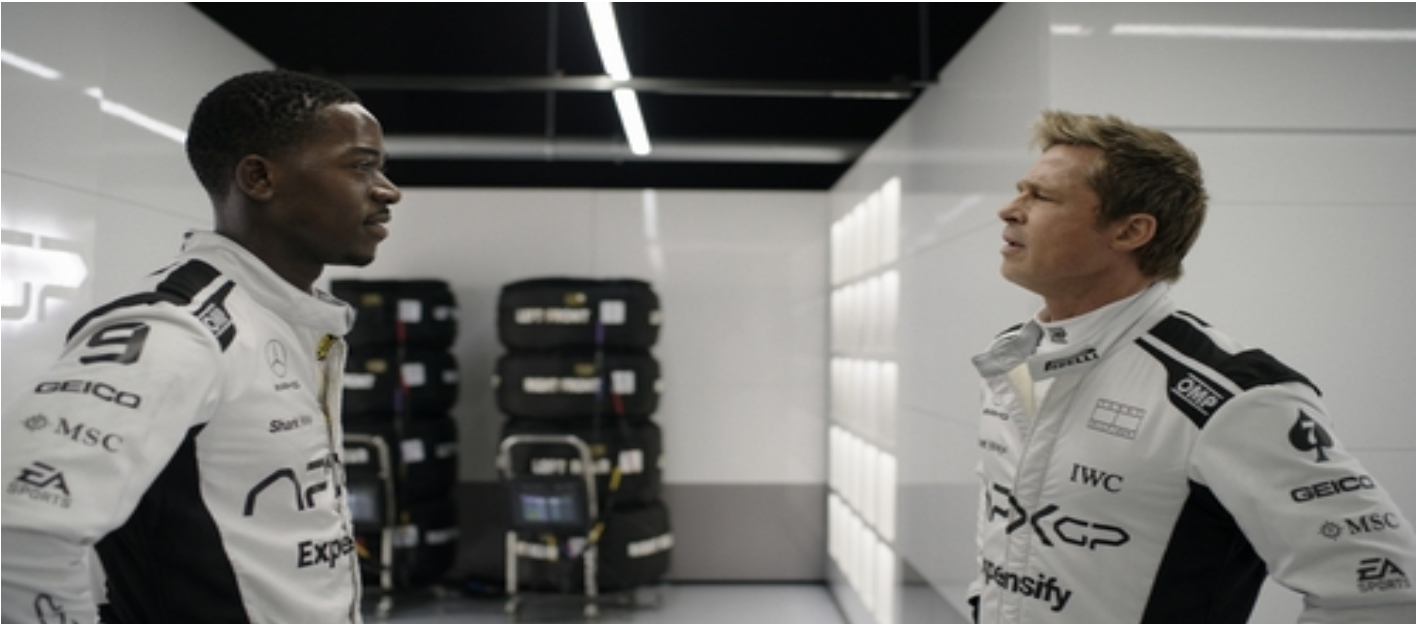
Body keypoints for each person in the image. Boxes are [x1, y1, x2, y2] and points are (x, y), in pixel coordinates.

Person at [967, 110, 1416, 623]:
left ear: (1130, 231)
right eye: (1020, 191)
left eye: (1042, 196)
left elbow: (1383, 592)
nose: (1009, 210)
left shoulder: (1235, 395)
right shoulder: (1014, 357)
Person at [2, 69, 402, 624]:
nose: (387, 190)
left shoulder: (291, 322)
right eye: (361, 166)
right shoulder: (180, 328)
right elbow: (21, 526)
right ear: (259, 178)